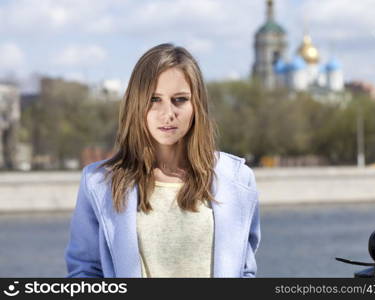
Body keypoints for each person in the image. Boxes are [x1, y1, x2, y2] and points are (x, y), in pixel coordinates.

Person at [65, 43, 261, 278]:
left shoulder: (237, 178)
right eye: (154, 99)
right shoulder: (99, 183)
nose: (168, 113)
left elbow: (245, 271)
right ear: (136, 104)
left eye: (180, 99)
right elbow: (85, 271)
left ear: (196, 105)